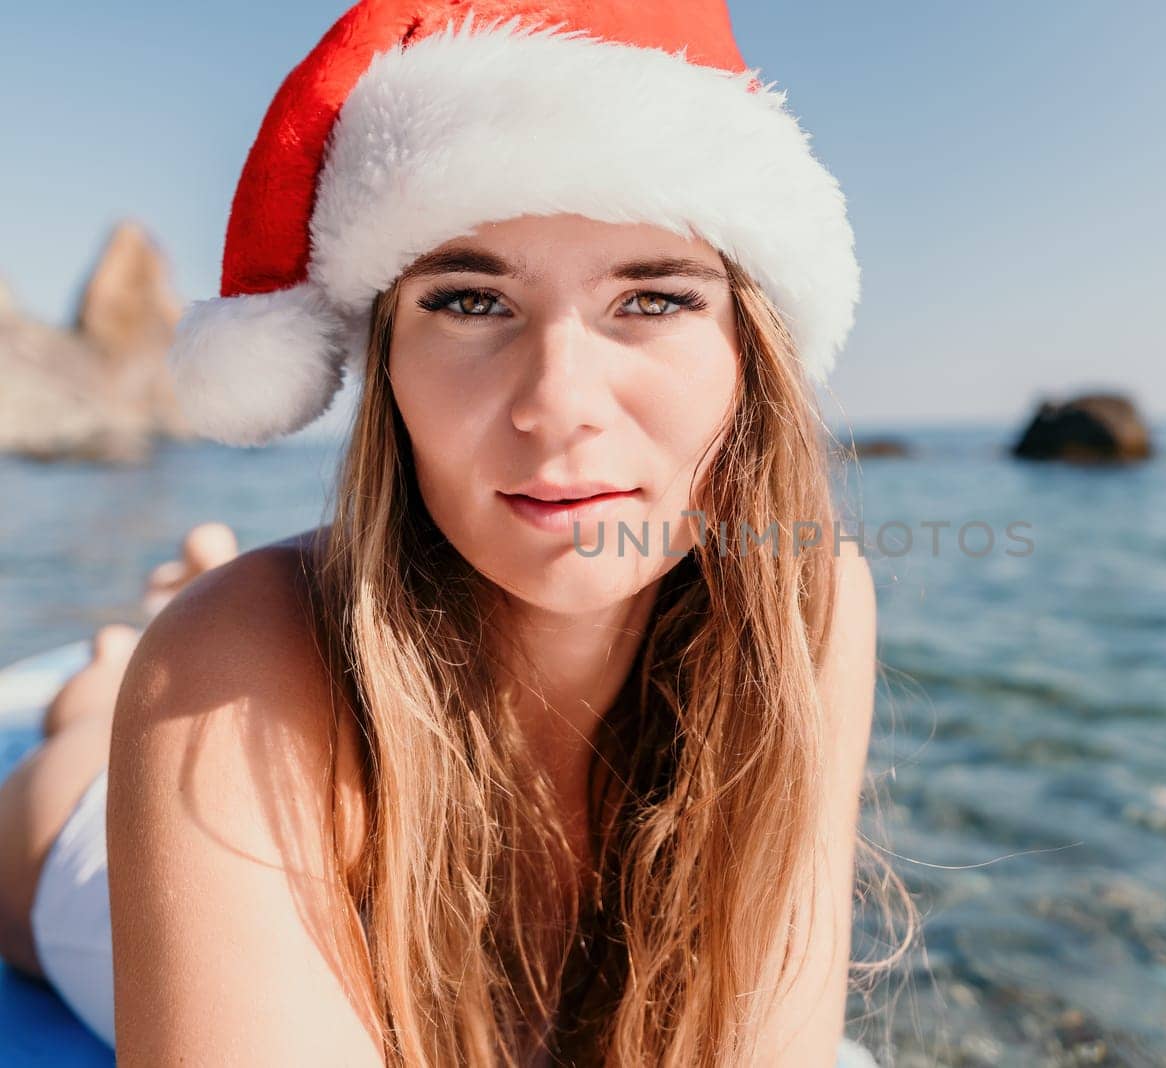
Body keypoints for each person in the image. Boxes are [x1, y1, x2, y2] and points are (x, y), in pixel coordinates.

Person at [0, 1, 914, 1064]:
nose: (558, 401)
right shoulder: (224, 665)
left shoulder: (814, 597)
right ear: (384, 364)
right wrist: (184, 658)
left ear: (750, 357)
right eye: (473, 302)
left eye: (654, 300)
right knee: (136, 694)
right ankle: (118, 674)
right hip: (78, 853)